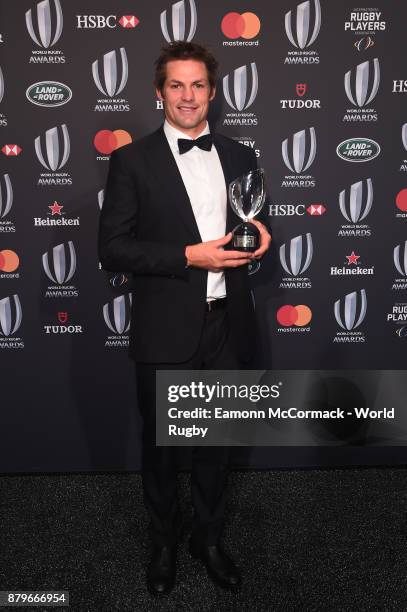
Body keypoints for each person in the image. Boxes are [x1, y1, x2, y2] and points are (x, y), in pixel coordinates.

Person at [98, 41, 271, 596]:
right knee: (163, 448)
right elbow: (114, 249)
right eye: (177, 85)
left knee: (217, 446)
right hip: (165, 328)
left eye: (198, 85)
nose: (188, 96)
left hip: (227, 325)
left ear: (213, 93)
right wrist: (188, 256)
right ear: (159, 92)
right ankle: (165, 544)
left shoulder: (243, 155)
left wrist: (262, 241)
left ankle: (209, 539)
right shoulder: (131, 160)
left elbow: (250, 227)